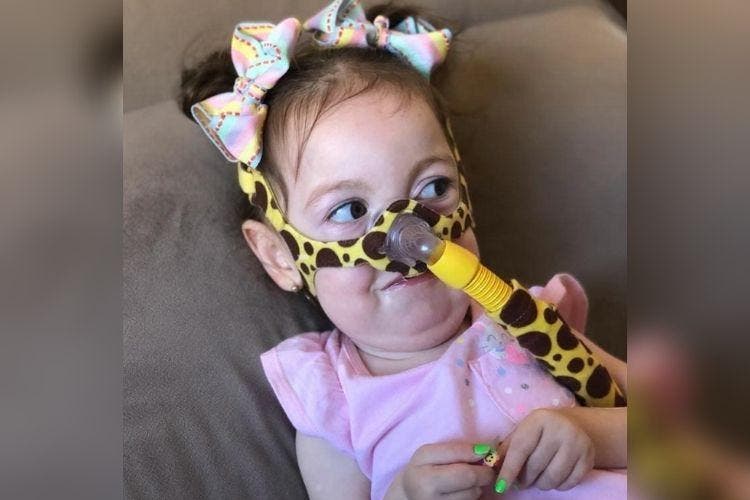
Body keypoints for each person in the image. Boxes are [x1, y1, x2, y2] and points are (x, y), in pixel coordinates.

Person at [178, 1, 627, 498]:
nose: (412, 234)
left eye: (434, 187)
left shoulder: (528, 323)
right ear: (281, 257)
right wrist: (404, 494)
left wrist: (592, 434)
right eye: (350, 210)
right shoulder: (334, 402)